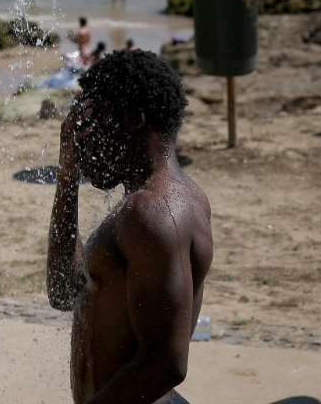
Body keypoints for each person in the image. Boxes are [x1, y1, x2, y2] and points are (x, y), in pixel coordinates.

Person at [47, 50, 212, 404]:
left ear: (134, 120)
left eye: (95, 125)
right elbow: (62, 292)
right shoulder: (161, 202)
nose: (85, 140)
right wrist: (67, 175)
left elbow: (167, 364)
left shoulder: (152, 212)